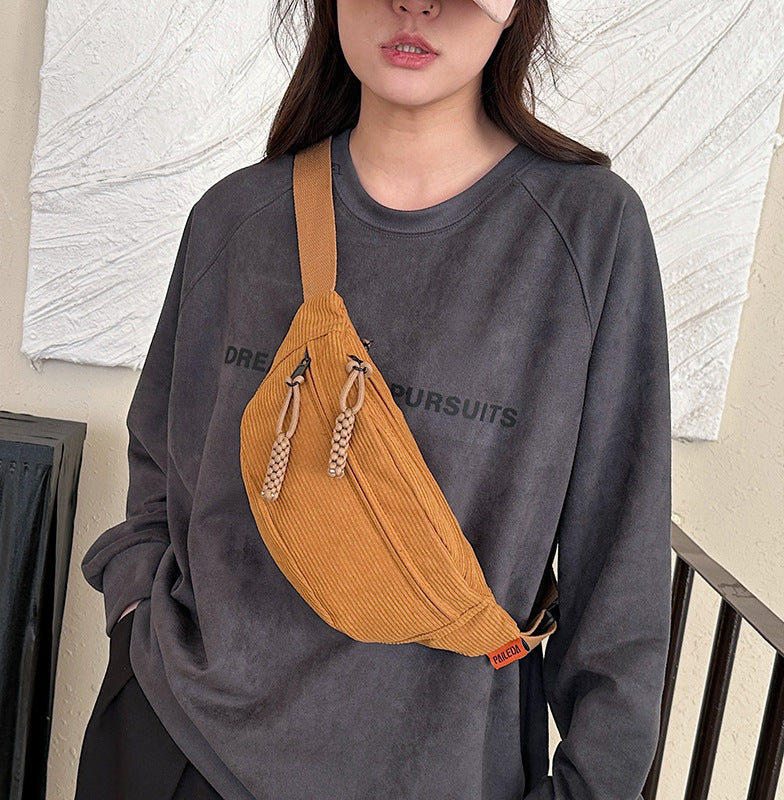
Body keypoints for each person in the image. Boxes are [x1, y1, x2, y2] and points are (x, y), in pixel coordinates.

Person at [75, 0, 672, 797]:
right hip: (179, 745)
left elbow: (620, 564)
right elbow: (161, 462)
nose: (415, 5)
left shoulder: (588, 234)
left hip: (436, 770)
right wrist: (133, 611)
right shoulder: (235, 219)